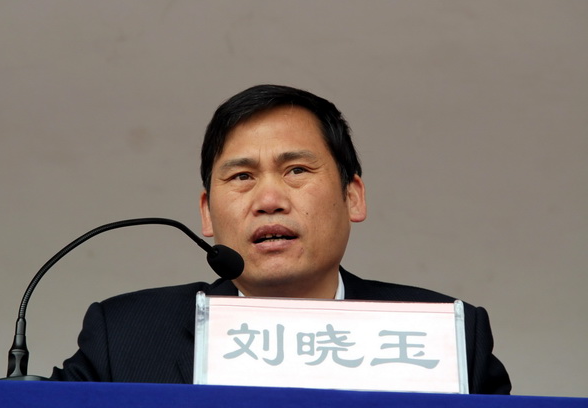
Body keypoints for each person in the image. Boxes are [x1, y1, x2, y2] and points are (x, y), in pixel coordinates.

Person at [51, 84, 511, 394]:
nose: (269, 200)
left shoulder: (443, 335)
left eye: (296, 170)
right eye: (242, 176)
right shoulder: (125, 335)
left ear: (352, 196)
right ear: (207, 212)